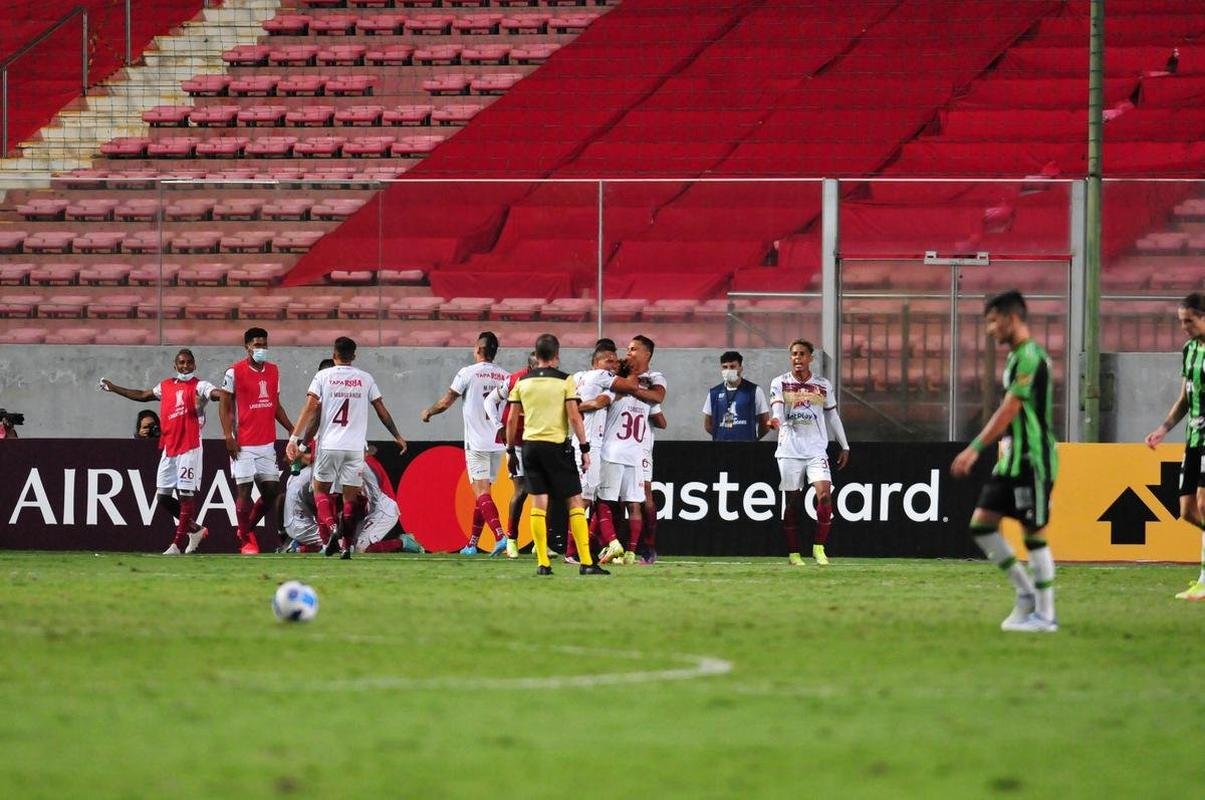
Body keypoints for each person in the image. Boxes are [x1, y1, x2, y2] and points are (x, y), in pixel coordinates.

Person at [951, 290, 1059, 632]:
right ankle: (1025, 594)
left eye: (993, 321)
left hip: (1033, 459)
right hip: (1012, 459)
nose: (990, 329)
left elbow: (1010, 408)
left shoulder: (1030, 356)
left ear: (1012, 318)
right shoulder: (1016, 358)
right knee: (981, 524)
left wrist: (974, 449)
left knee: (1034, 534)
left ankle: (1046, 616)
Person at [286, 336, 407, 559]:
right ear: (354, 356)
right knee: (349, 499)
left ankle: (332, 529)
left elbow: (311, 409)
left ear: (334, 354)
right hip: (355, 448)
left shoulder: (323, 376)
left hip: (329, 445)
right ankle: (345, 547)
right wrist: (397, 435)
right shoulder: (365, 379)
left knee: (320, 490)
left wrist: (295, 438)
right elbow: (381, 410)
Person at [506, 333, 607, 576]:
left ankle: (543, 563)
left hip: (529, 447)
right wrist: (584, 448)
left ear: (537, 355)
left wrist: (510, 450)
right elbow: (574, 416)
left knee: (538, 504)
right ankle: (585, 561)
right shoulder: (565, 381)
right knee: (574, 500)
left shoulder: (522, 382)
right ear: (556, 356)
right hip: (556, 445)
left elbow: (511, 420)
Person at [99, 349, 219, 554]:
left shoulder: (200, 385)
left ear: (194, 365)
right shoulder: (165, 386)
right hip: (170, 446)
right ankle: (195, 530)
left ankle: (177, 544)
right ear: (175, 365)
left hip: (189, 447)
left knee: (185, 495)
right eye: (181, 363)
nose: (185, 366)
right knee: (163, 496)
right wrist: (114, 388)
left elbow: (214, 394)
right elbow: (142, 395)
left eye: (189, 363)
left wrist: (224, 393)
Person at [421, 331, 511, 556]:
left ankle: (501, 536)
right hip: (497, 443)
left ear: (479, 349)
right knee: (484, 493)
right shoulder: (505, 376)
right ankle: (472, 544)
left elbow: (446, 402)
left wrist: (429, 412)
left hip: (477, 443)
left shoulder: (467, 373)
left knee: (481, 493)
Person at [1144, 291, 1205, 601]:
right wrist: (1163, 428)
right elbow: (1185, 398)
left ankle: (1204, 581)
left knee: (1204, 505)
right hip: (1194, 439)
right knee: (1187, 511)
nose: (1184, 327)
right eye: (1182, 322)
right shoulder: (1189, 350)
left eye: (1189, 321)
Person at [768, 339, 849, 566]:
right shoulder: (780, 382)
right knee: (791, 503)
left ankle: (819, 548)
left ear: (810, 358)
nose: (797, 358)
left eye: (802, 354)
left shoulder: (822, 384)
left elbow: (832, 415)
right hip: (789, 451)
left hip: (816, 451)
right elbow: (777, 412)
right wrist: (774, 421)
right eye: (794, 354)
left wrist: (845, 445)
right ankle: (794, 553)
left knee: (825, 497)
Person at [219, 327, 294, 555]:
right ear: (247, 347)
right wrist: (228, 436)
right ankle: (246, 542)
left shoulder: (273, 371)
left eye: (264, 344)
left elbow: (275, 406)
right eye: (257, 344)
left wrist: (292, 429)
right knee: (244, 491)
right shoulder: (234, 372)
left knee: (272, 492)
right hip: (243, 443)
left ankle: (244, 529)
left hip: (266, 442)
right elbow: (224, 406)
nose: (261, 348)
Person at [598, 336, 668, 566]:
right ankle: (619, 547)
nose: (628, 353)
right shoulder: (632, 382)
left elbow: (657, 398)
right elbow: (658, 415)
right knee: (625, 500)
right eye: (627, 349)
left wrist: (629, 387)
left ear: (647, 354)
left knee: (641, 499)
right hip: (632, 447)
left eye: (633, 349)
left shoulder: (655, 378)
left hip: (641, 448)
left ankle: (648, 548)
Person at [567, 340, 625, 565]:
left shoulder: (576, 378)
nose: (612, 364)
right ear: (596, 362)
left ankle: (579, 549)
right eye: (608, 360)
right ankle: (572, 552)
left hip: (582, 441)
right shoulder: (600, 377)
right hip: (588, 444)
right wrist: (607, 398)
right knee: (582, 500)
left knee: (586, 499)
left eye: (615, 361)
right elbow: (598, 403)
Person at [491, 350, 538, 559]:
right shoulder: (514, 380)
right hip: (516, 441)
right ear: (530, 367)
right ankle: (511, 539)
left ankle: (540, 543)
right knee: (521, 491)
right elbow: (490, 401)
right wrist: (498, 426)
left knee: (541, 492)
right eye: (538, 368)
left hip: (538, 440)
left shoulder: (550, 382)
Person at [703, 351, 771, 441]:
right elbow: (708, 424)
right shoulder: (714, 393)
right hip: (720, 449)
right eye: (725, 367)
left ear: (740, 368)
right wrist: (721, 437)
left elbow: (765, 423)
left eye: (732, 367)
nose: (728, 370)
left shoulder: (754, 391)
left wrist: (754, 439)